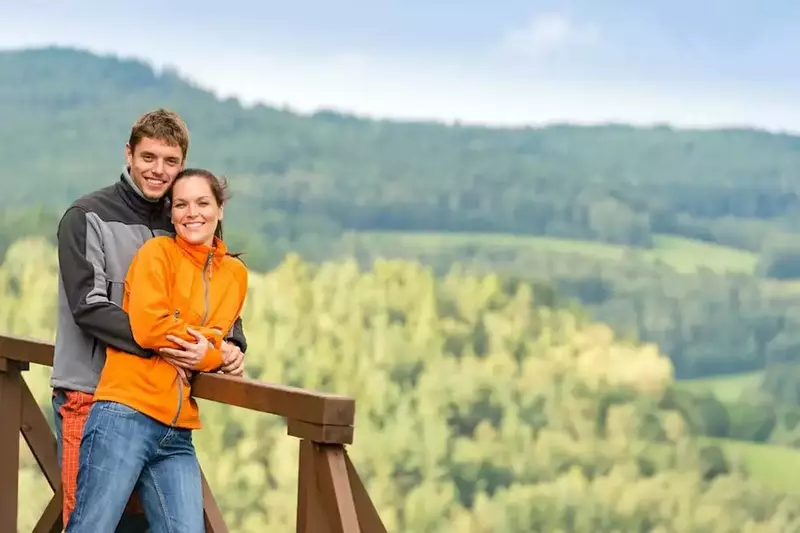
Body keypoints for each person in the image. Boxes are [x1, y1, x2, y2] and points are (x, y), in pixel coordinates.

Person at [51, 109, 247, 530]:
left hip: (167, 410)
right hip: (90, 392)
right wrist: (175, 349)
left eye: (170, 161)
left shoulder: (184, 221)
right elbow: (89, 307)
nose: (159, 170)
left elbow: (215, 302)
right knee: (90, 523)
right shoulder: (86, 216)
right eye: (148, 157)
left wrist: (231, 345)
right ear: (129, 154)